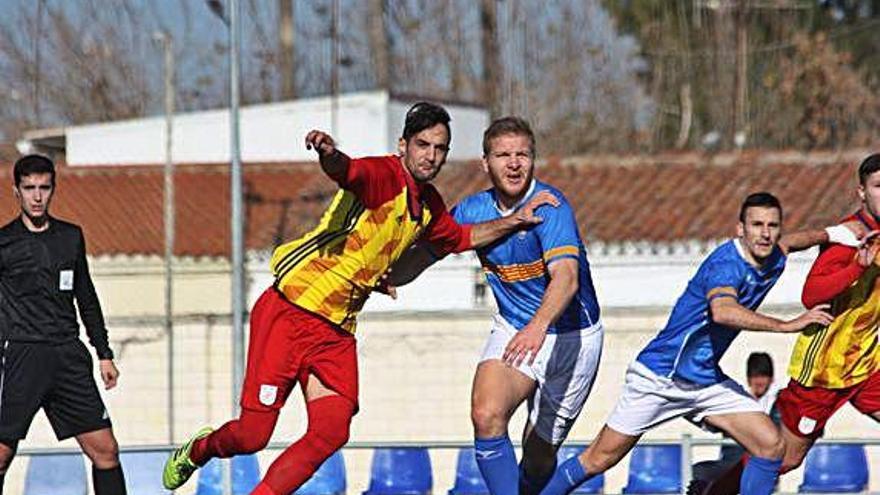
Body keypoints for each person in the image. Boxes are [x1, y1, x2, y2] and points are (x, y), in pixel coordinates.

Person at [162, 102, 558, 495]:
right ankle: (198, 450)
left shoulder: (428, 205)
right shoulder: (382, 174)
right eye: (423, 145)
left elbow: (461, 238)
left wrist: (515, 220)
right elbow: (349, 172)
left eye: (440, 148)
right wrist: (330, 155)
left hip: (335, 330)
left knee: (332, 430)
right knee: (252, 435)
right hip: (291, 312)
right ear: (403, 145)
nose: (431, 156)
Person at [539, 192, 862, 495]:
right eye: (757, 225)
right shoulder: (727, 265)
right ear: (740, 229)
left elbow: (794, 242)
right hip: (660, 377)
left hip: (704, 381)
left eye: (772, 225)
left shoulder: (776, 253)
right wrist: (786, 325)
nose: (765, 233)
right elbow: (723, 311)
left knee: (771, 446)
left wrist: (834, 233)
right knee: (598, 460)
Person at [385, 116, 603, 495]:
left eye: (523, 154)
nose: (514, 163)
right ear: (485, 164)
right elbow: (428, 253)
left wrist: (539, 327)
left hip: (570, 337)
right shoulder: (472, 211)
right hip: (514, 327)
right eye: (503, 155)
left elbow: (566, 278)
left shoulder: (551, 207)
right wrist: (386, 276)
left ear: (534, 160)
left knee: (537, 456)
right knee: (486, 415)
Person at [0, 154, 126, 495]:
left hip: (67, 356)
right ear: (17, 192)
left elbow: (86, 295)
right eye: (29, 189)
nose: (37, 196)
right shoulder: (4, 243)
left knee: (106, 451)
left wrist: (103, 352)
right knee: (0, 456)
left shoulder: (70, 237)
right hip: (21, 356)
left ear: (53, 189)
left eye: (44, 188)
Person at [776, 153, 880, 474]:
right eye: (879, 186)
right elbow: (811, 296)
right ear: (862, 192)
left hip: (867, 362)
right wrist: (856, 268)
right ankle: (713, 486)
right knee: (786, 459)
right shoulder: (849, 237)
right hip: (824, 370)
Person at [688, 352, 780, 495]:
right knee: (699, 472)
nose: (759, 381)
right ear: (748, 379)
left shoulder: (778, 403)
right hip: (730, 462)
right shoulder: (738, 401)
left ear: (771, 378)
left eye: (763, 376)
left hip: (759, 460)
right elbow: (715, 426)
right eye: (755, 376)